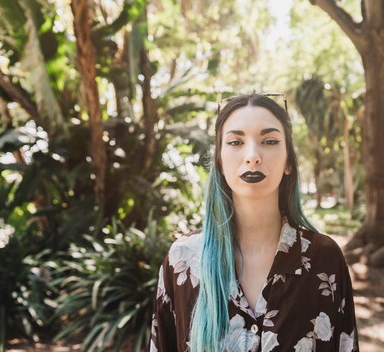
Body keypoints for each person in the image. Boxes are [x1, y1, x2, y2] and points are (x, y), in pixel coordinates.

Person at [149, 93, 359, 352]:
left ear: (289, 163)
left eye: (269, 141)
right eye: (236, 142)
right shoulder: (183, 260)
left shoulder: (323, 260)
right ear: (219, 161)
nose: (252, 156)